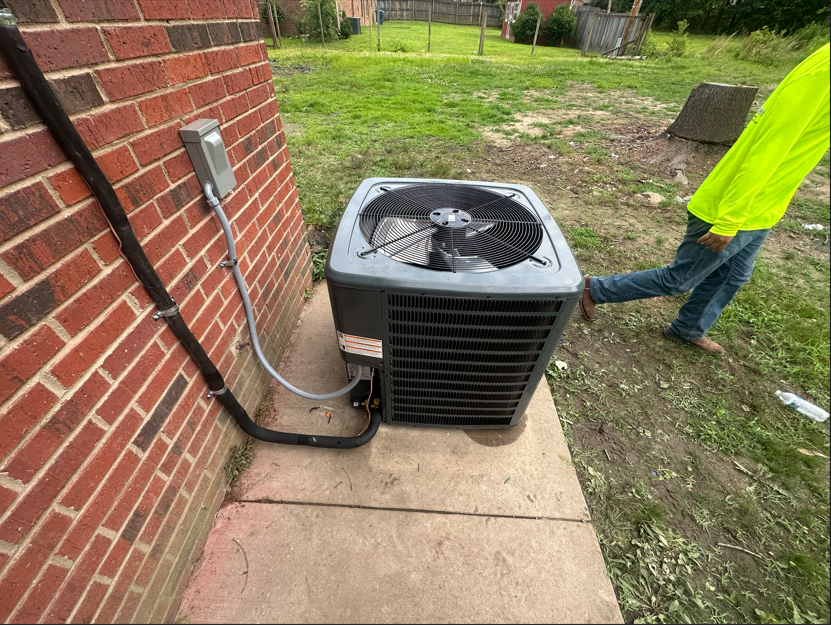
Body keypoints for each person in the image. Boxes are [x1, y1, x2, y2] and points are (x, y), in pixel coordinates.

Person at [579, 43, 831, 356]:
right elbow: (766, 155)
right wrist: (730, 220)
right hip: (732, 210)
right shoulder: (822, 75)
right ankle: (595, 288)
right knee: (679, 279)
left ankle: (689, 328)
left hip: (761, 210)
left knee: (733, 274)